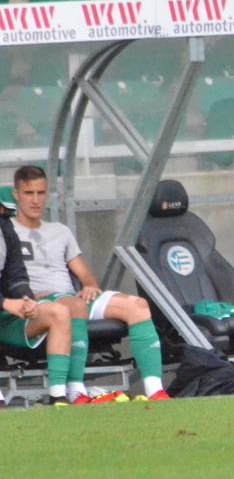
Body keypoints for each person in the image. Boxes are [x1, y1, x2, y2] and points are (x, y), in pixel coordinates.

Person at [11, 165, 169, 402]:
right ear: (16, 194)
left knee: (137, 305)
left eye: (41, 193)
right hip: (36, 304)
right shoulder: (6, 231)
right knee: (73, 305)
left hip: (70, 298)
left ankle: (156, 391)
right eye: (28, 193)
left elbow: (84, 274)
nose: (35, 200)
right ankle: (76, 392)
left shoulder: (60, 231)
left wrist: (89, 285)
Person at [0, 198, 76, 406]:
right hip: (4, 307)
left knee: (59, 311)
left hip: (8, 315)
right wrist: (4, 302)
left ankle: (58, 395)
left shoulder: (5, 229)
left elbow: (16, 275)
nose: (4, 212)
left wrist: (27, 300)